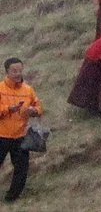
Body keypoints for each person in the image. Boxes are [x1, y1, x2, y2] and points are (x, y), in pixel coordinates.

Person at [0, 57, 42, 202]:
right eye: (14, 71)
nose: (18, 74)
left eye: (20, 70)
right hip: (1, 135)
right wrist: (8, 109)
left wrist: (34, 111)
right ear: (7, 72)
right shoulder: (0, 89)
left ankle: (11, 198)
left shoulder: (28, 90)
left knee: (22, 169)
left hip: (21, 136)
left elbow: (39, 108)